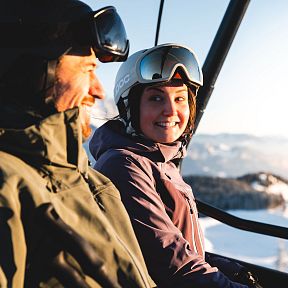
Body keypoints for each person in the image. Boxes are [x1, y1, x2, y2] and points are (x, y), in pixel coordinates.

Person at [0, 0, 154, 287]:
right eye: (87, 69)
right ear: (34, 73)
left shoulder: (93, 182)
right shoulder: (9, 186)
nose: (98, 90)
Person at [90, 43, 263, 288]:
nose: (171, 111)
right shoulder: (125, 166)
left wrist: (232, 271)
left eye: (180, 98)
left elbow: (183, 247)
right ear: (129, 107)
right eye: (156, 98)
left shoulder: (160, 161)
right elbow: (172, 264)